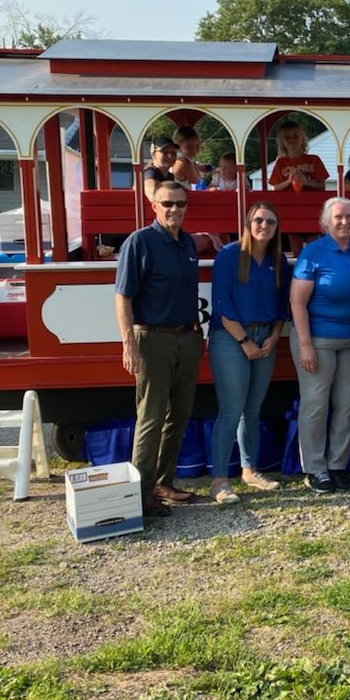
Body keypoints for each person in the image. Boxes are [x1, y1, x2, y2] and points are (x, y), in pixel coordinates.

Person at [113, 180, 204, 518]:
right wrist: (129, 344)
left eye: (180, 204)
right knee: (150, 417)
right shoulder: (140, 242)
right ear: (154, 204)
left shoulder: (188, 243)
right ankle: (139, 494)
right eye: (167, 203)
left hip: (187, 337)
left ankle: (163, 482)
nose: (174, 209)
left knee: (178, 415)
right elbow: (123, 298)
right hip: (152, 339)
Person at [289, 197, 350, 493]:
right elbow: (297, 302)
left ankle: (338, 465)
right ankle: (315, 468)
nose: (345, 222)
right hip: (318, 338)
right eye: (339, 217)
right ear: (326, 221)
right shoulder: (312, 253)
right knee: (316, 402)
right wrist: (305, 345)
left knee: (348, 402)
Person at [207, 202, 289, 504]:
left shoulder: (278, 260)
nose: (264, 226)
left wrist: (274, 336)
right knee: (230, 410)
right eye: (258, 220)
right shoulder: (229, 255)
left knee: (252, 410)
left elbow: (283, 306)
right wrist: (245, 342)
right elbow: (222, 305)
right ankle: (219, 481)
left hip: (265, 336)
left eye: (270, 221)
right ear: (248, 223)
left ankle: (250, 470)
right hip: (231, 337)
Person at [269, 120, 329, 192]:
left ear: (303, 139)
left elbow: (322, 186)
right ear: (282, 142)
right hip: (287, 201)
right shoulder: (280, 162)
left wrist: (306, 182)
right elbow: (276, 188)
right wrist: (289, 181)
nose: (292, 140)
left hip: (311, 201)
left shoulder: (314, 160)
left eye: (296, 136)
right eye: (287, 137)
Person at [171, 125, 211, 189]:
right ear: (178, 146)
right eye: (188, 147)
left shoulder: (177, 158)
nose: (194, 150)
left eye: (197, 145)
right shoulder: (184, 162)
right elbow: (198, 182)